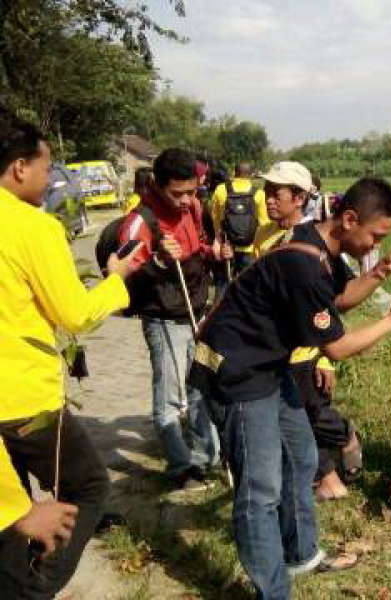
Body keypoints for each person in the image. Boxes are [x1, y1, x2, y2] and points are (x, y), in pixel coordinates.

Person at [190, 175, 391, 599]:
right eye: (375, 237)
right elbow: (336, 347)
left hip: (270, 364)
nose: (376, 245)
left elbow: (340, 298)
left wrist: (383, 270)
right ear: (349, 220)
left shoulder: (320, 243)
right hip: (238, 371)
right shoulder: (304, 264)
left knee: (301, 456)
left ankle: (300, 554)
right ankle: (273, 591)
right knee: (260, 490)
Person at [0, 109, 138, 597]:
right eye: (46, 168)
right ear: (20, 167)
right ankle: (35, 588)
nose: (49, 179)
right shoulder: (31, 227)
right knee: (89, 486)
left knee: (13, 512)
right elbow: (75, 314)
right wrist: (116, 281)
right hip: (25, 401)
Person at [119, 148, 230, 490]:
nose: (185, 200)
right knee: (170, 397)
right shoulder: (139, 222)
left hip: (197, 313)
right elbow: (121, 277)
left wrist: (213, 253)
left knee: (201, 388)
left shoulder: (193, 207)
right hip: (164, 320)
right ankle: (180, 468)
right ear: (157, 184)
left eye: (191, 191)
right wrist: (160, 261)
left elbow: (196, 248)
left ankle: (205, 458)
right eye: (177, 193)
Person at [252, 162, 363, 501]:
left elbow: (335, 299)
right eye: (267, 192)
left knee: (312, 416)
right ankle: (326, 480)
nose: (269, 199)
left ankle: (345, 438)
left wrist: (325, 360)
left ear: (299, 198)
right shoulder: (263, 234)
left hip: (308, 349)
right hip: (275, 347)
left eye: (277, 193)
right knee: (296, 419)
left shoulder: (314, 239)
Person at [210, 161, 267, 276]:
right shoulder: (259, 193)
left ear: (234, 173)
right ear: (251, 174)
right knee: (247, 282)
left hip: (227, 245)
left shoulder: (221, 189)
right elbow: (264, 223)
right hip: (249, 247)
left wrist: (218, 239)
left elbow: (215, 217)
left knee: (225, 280)